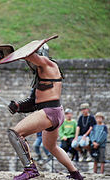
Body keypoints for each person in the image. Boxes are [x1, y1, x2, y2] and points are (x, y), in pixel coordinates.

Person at [7, 43, 83, 180]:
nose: (30, 63)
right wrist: (17, 106)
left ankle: (30, 169)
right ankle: (75, 174)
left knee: (15, 133)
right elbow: (33, 102)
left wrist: (11, 54)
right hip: (54, 112)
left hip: (50, 111)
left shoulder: (48, 64)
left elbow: (28, 55)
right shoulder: (41, 74)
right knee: (51, 146)